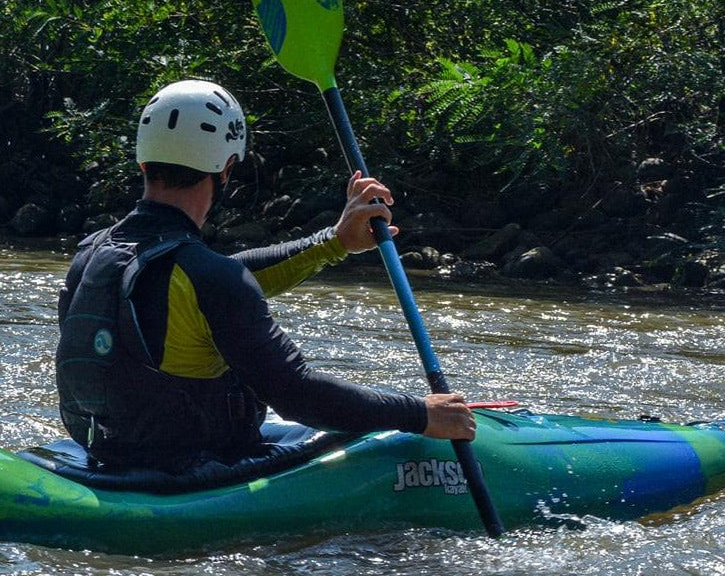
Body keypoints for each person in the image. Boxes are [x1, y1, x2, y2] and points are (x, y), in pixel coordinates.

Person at [55, 78, 475, 479]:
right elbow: (296, 395)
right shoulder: (206, 277)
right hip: (192, 469)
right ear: (226, 167)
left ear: (144, 161)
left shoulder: (92, 254)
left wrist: (335, 242)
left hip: (108, 454)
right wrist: (419, 414)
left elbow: (224, 276)